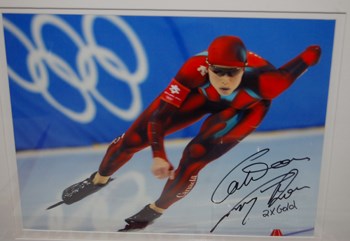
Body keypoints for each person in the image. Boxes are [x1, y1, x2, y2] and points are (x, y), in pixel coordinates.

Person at [55, 36, 321, 231]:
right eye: (218, 72)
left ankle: (155, 210)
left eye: (233, 73)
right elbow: (160, 116)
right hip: (200, 95)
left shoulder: (269, 83)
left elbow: (307, 58)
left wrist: (313, 52)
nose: (226, 81)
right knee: (134, 139)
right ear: (207, 67)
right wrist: (158, 155)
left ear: (243, 69)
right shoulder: (192, 71)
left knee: (195, 155)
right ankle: (98, 180)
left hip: (245, 107)